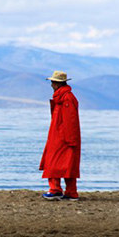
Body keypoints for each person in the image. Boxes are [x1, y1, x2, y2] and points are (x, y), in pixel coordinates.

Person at [39, 71, 81, 201]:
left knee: (55, 162)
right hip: (59, 135)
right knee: (64, 163)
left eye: (53, 82)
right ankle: (68, 192)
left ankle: (58, 191)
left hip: (63, 137)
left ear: (57, 83)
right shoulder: (62, 97)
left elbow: (70, 120)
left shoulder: (67, 98)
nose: (51, 85)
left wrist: (71, 139)